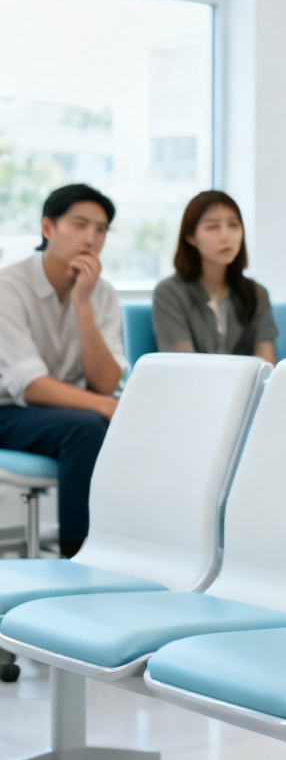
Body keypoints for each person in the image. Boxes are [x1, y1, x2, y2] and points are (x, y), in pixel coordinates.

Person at [0, 184, 127, 558]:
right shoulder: (9, 287)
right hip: (8, 409)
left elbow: (106, 382)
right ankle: (79, 554)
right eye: (80, 224)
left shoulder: (102, 293)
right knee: (88, 425)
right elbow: (30, 385)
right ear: (47, 228)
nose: (91, 237)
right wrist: (103, 406)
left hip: (66, 411)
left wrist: (83, 305)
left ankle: (130, 547)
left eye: (101, 229)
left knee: (124, 425)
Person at [152, 191, 277, 362]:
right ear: (190, 236)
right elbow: (182, 364)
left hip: (247, 388)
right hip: (191, 387)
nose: (225, 236)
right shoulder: (168, 292)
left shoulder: (256, 292)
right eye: (212, 227)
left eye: (233, 225)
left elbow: (267, 361)